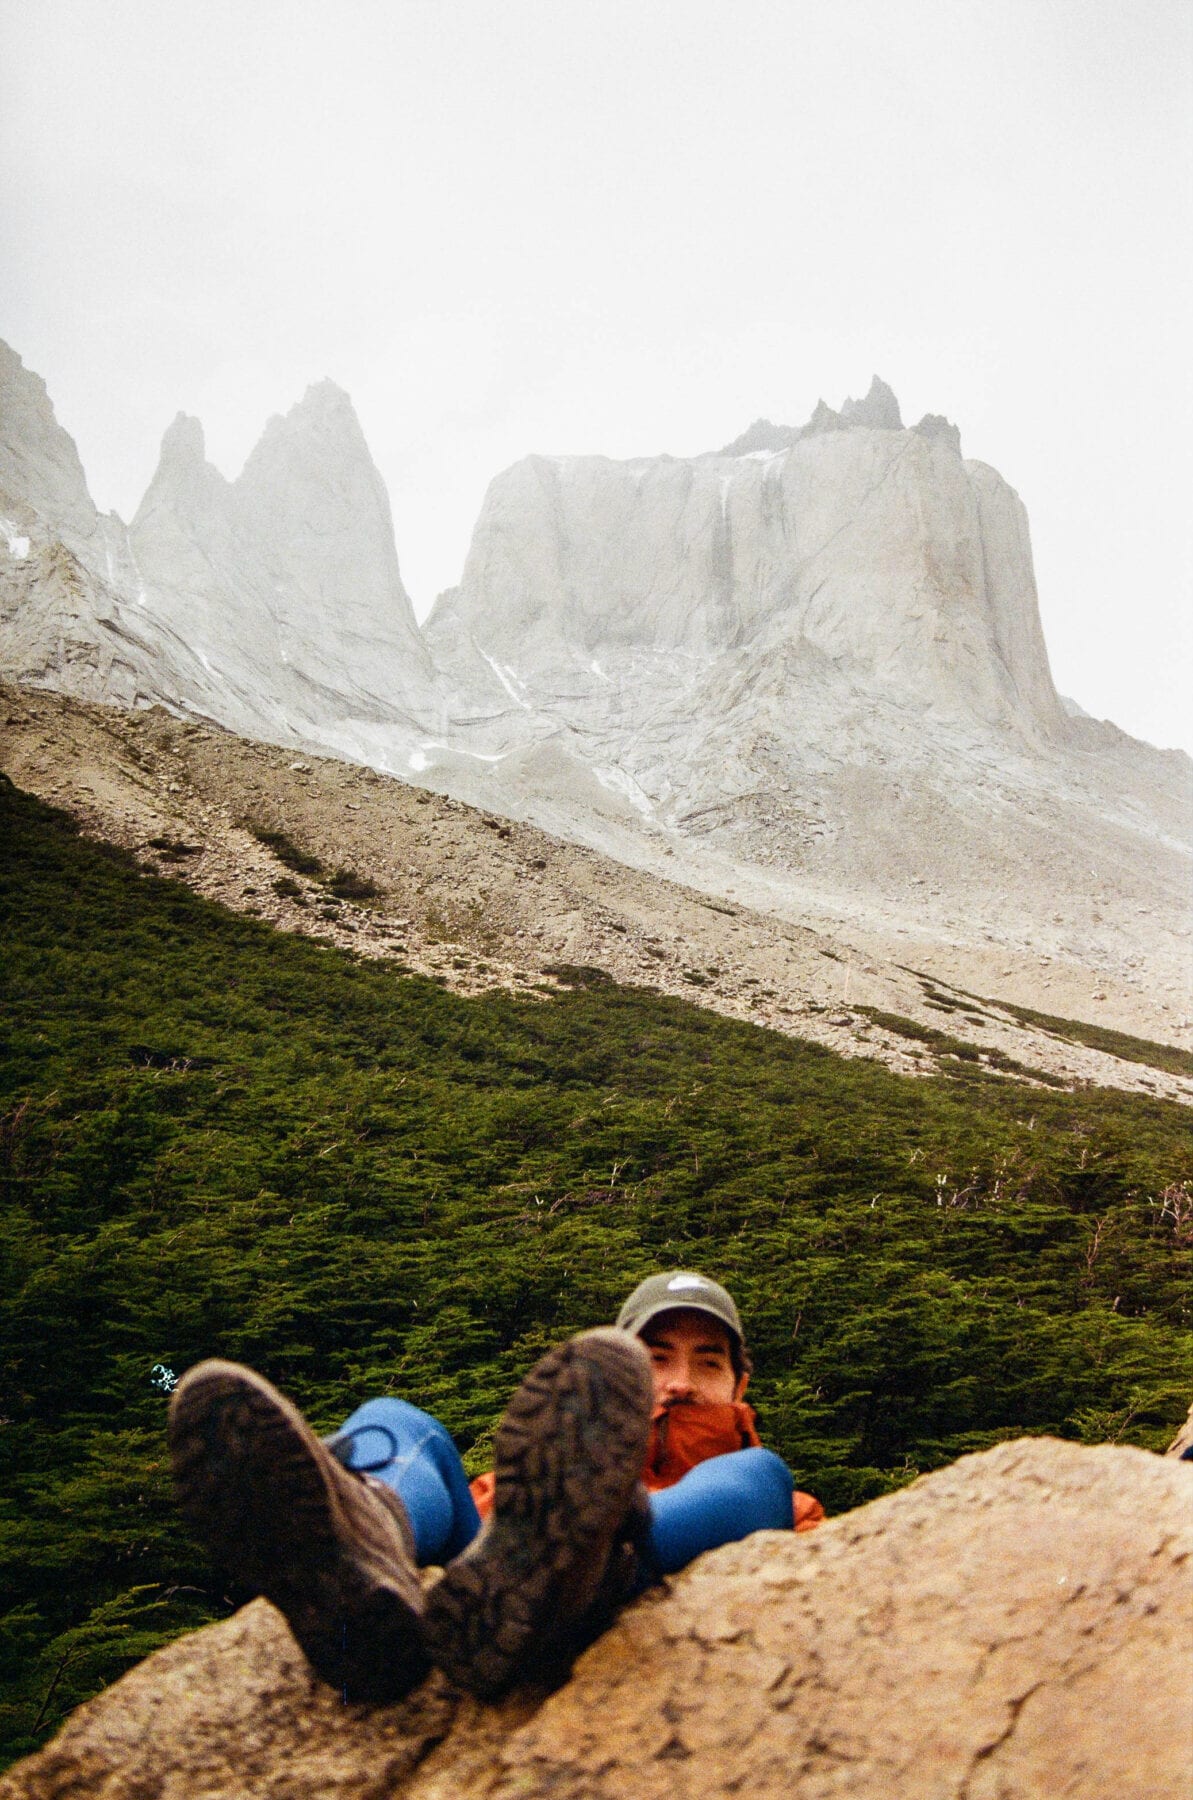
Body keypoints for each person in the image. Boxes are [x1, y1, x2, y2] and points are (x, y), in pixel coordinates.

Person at [168, 1270, 823, 1703]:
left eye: (706, 1361)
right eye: (655, 1359)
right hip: (502, 1571)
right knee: (397, 1424)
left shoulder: (783, 1505)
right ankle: (361, 1567)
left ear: (739, 1385)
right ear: (620, 1375)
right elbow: (485, 1530)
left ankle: (590, 1558)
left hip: (616, 1572)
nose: (680, 1379)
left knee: (758, 1473)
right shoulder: (535, 1489)